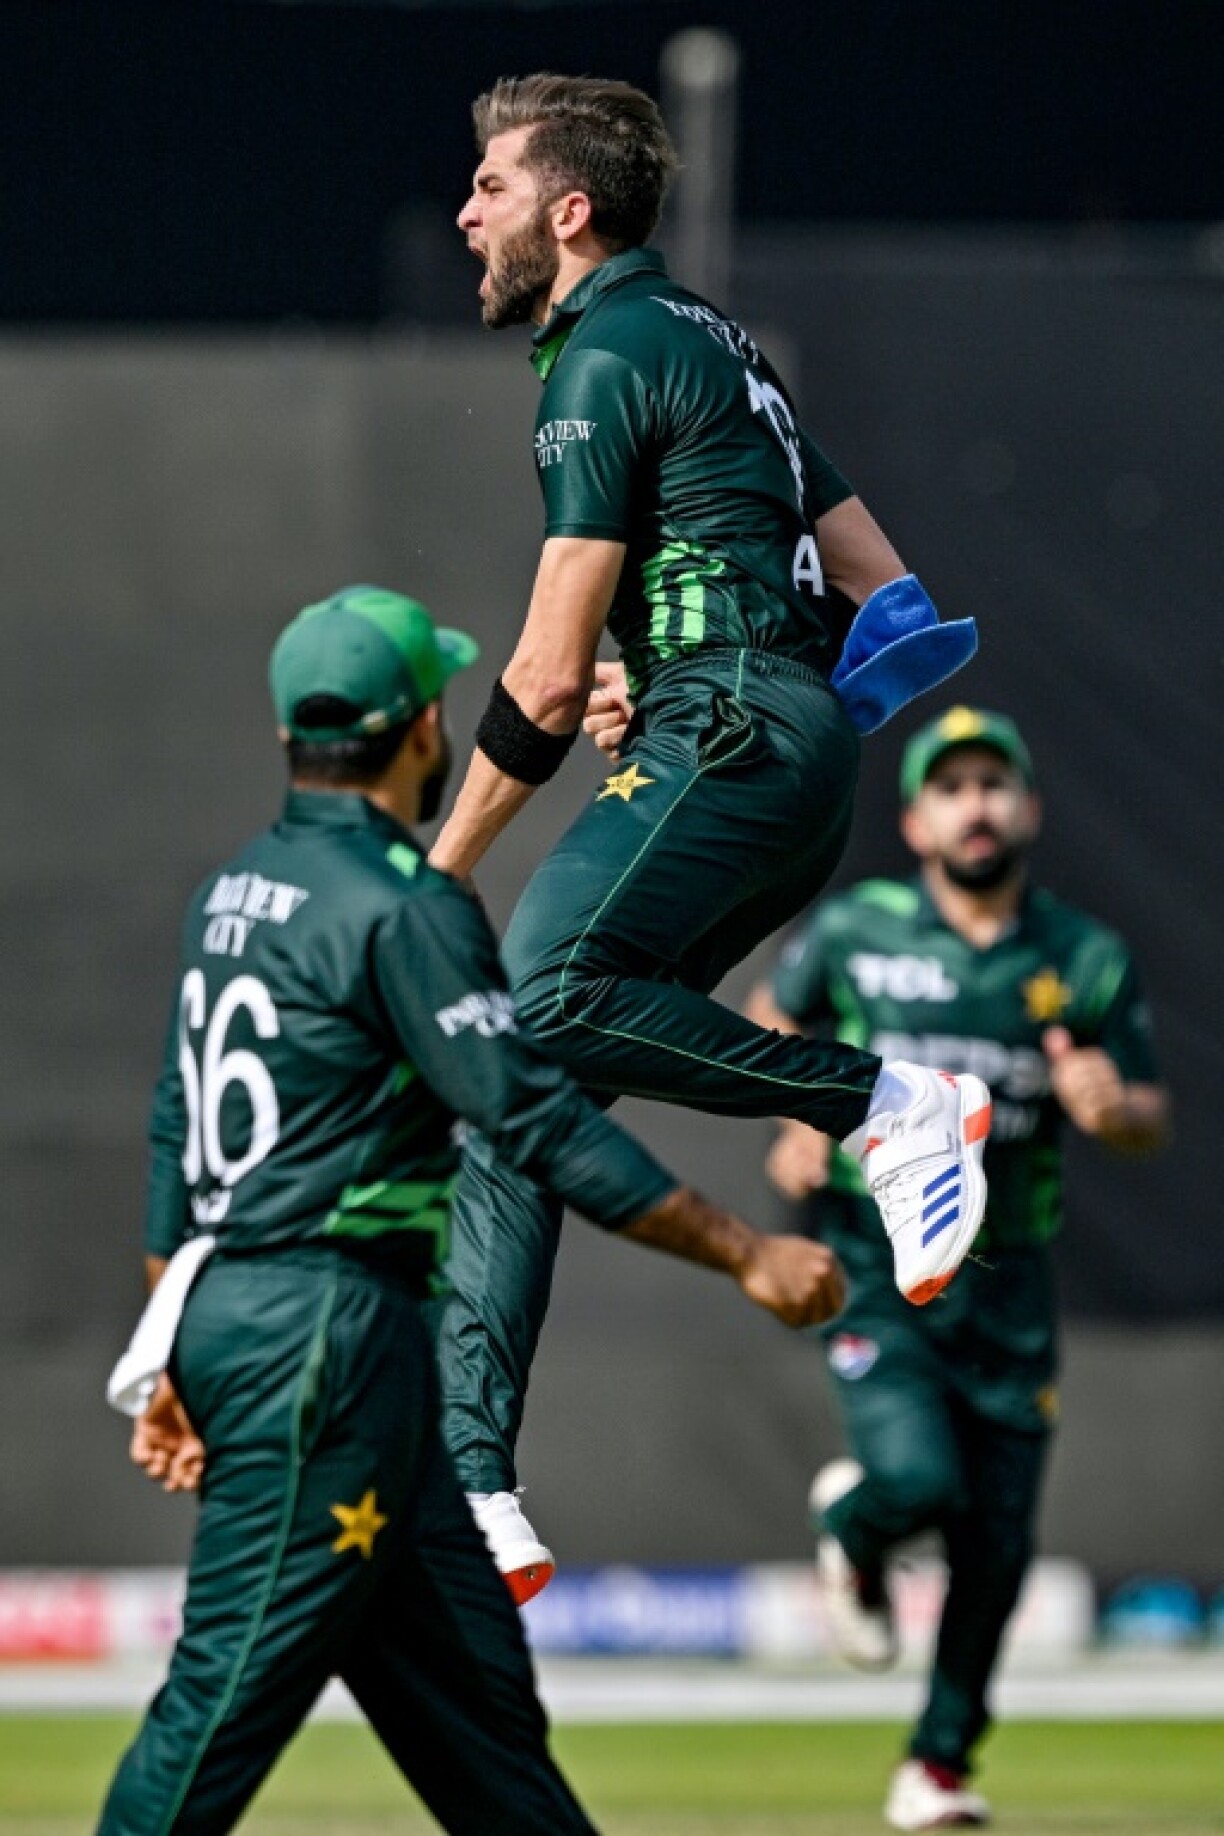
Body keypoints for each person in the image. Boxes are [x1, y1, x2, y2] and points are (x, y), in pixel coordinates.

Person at [97, 585, 849, 1836]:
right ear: (422, 733)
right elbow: (537, 1120)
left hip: (299, 1338)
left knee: (491, 1742)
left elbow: (178, 1136)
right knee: (214, 1707)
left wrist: (171, 1341)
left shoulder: (232, 892)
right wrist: (745, 1251)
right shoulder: (405, 905)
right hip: (326, 1348)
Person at [430, 71, 991, 1597]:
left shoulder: (600, 350)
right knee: (516, 1086)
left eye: (489, 185)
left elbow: (543, 678)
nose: (466, 212)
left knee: (529, 988)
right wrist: (698, 670)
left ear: (570, 208)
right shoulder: (720, 350)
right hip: (775, 748)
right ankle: (471, 1485)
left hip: (733, 733)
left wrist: (432, 876)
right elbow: (895, 597)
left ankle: (885, 1103)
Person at [747, 704, 1170, 1832]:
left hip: (1012, 1279)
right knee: (922, 1482)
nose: (975, 805)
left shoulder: (1082, 956)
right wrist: (797, 1112)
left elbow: (1147, 1113)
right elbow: (768, 1022)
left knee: (998, 1538)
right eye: (953, 787)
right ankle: (860, 1528)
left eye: (995, 785)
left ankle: (937, 1764)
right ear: (916, 817)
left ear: (1027, 808)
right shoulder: (859, 931)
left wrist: (1110, 1107)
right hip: (878, 1263)